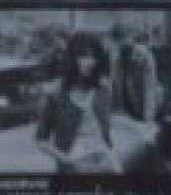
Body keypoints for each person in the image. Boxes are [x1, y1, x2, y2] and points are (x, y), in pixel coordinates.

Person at [34, 31, 119, 174]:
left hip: (105, 159)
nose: (90, 61)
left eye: (94, 56)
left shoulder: (103, 90)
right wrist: (68, 160)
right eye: (84, 56)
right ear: (72, 58)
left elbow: (106, 128)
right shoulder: (56, 95)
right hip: (75, 162)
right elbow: (40, 140)